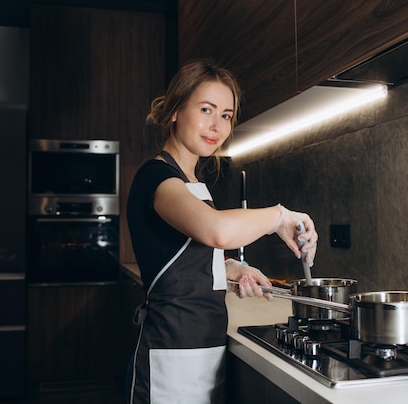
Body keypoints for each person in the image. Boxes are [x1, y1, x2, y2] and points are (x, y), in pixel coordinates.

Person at [126, 59, 318, 404]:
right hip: (172, 353)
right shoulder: (157, 178)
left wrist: (230, 270)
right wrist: (278, 217)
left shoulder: (194, 184)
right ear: (175, 111)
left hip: (205, 350)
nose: (217, 125)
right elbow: (216, 231)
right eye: (206, 109)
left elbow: (188, 255)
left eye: (226, 115)